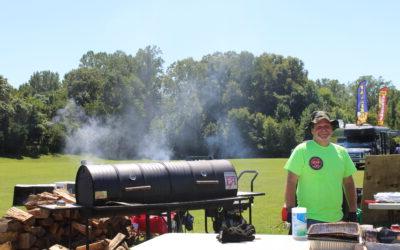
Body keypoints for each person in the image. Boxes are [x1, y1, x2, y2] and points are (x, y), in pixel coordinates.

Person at [284, 111, 358, 230]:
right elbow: (291, 182)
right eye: (319, 127)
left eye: (327, 126)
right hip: (307, 219)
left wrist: (353, 211)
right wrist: (290, 210)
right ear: (312, 130)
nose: (323, 130)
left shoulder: (342, 152)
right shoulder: (301, 150)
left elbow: (349, 183)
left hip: (337, 220)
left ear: (332, 129)